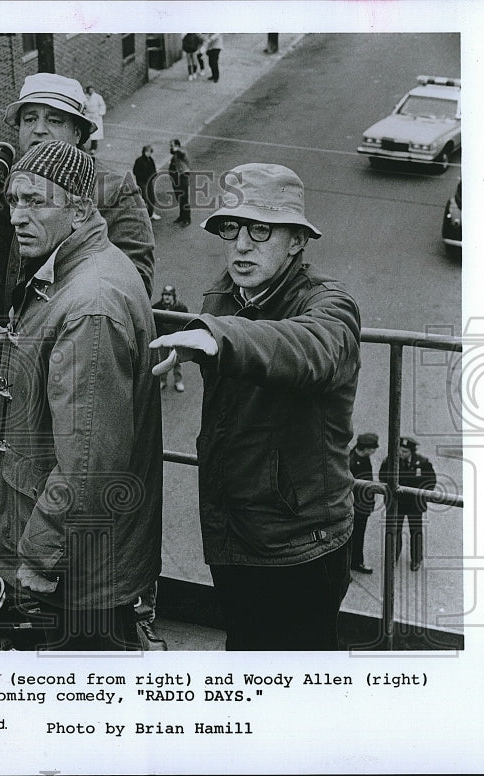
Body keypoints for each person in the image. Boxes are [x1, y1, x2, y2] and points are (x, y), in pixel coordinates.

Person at [149, 163, 361, 650]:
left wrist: (217, 335)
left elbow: (313, 349)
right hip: (234, 536)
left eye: (261, 229)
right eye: (232, 227)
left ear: (296, 241)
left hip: (300, 547)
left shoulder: (328, 304)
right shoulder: (223, 295)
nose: (242, 244)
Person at [0, 140, 162, 650]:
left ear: (78, 209)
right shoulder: (74, 268)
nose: (18, 216)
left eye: (36, 201)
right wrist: (11, 343)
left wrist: (39, 555)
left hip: (74, 573)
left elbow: (90, 460)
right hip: (77, 560)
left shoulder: (91, 304)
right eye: (13, 201)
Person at [0, 71, 155, 320]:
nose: (39, 130)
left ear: (78, 133)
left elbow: (135, 284)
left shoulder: (115, 190)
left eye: (54, 121)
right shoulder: (12, 184)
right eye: (30, 119)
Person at [379, 437, 437, 572]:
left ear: (411, 451)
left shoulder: (422, 463)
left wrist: (422, 495)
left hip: (414, 504)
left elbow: (431, 481)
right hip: (397, 504)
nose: (401, 454)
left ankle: (416, 559)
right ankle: (393, 557)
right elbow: (382, 476)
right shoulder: (390, 461)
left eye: (405, 451)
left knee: (416, 532)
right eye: (400, 450)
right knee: (395, 531)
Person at [349, 432, 379, 575]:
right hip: (354, 506)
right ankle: (347, 568)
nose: (374, 451)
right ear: (366, 448)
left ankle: (356, 562)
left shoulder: (364, 458)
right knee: (350, 537)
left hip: (363, 506)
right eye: (373, 448)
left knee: (359, 535)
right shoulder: (352, 462)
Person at [152, 284, 189, 393]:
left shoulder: (181, 308)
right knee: (163, 361)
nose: (167, 297)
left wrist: (183, 338)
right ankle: (162, 381)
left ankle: (178, 381)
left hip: (176, 340)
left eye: (169, 295)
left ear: (173, 296)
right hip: (163, 340)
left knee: (177, 361)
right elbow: (153, 324)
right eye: (165, 295)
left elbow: (185, 324)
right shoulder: (156, 308)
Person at [132, 145, 161, 221]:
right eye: (147, 152)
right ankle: (146, 215)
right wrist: (145, 176)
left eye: (150, 152)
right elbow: (135, 171)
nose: (148, 153)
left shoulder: (150, 160)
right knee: (145, 198)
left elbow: (154, 170)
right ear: (144, 152)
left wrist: (153, 176)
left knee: (151, 197)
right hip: (142, 182)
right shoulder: (139, 160)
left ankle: (150, 213)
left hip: (149, 181)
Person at [168, 139, 192, 226]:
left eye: (172, 145)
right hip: (177, 177)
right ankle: (182, 216)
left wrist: (177, 149)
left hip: (183, 176)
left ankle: (187, 218)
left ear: (177, 146)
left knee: (184, 198)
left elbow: (183, 154)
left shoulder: (181, 151)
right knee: (179, 197)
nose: (171, 147)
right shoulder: (175, 153)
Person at [83, 84, 106, 154]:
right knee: (85, 131)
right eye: (90, 90)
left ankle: (93, 147)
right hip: (87, 116)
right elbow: (83, 106)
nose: (91, 91)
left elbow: (102, 105)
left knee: (95, 133)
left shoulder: (98, 97)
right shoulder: (84, 97)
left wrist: (100, 113)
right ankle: (82, 146)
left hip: (96, 116)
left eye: (92, 90)